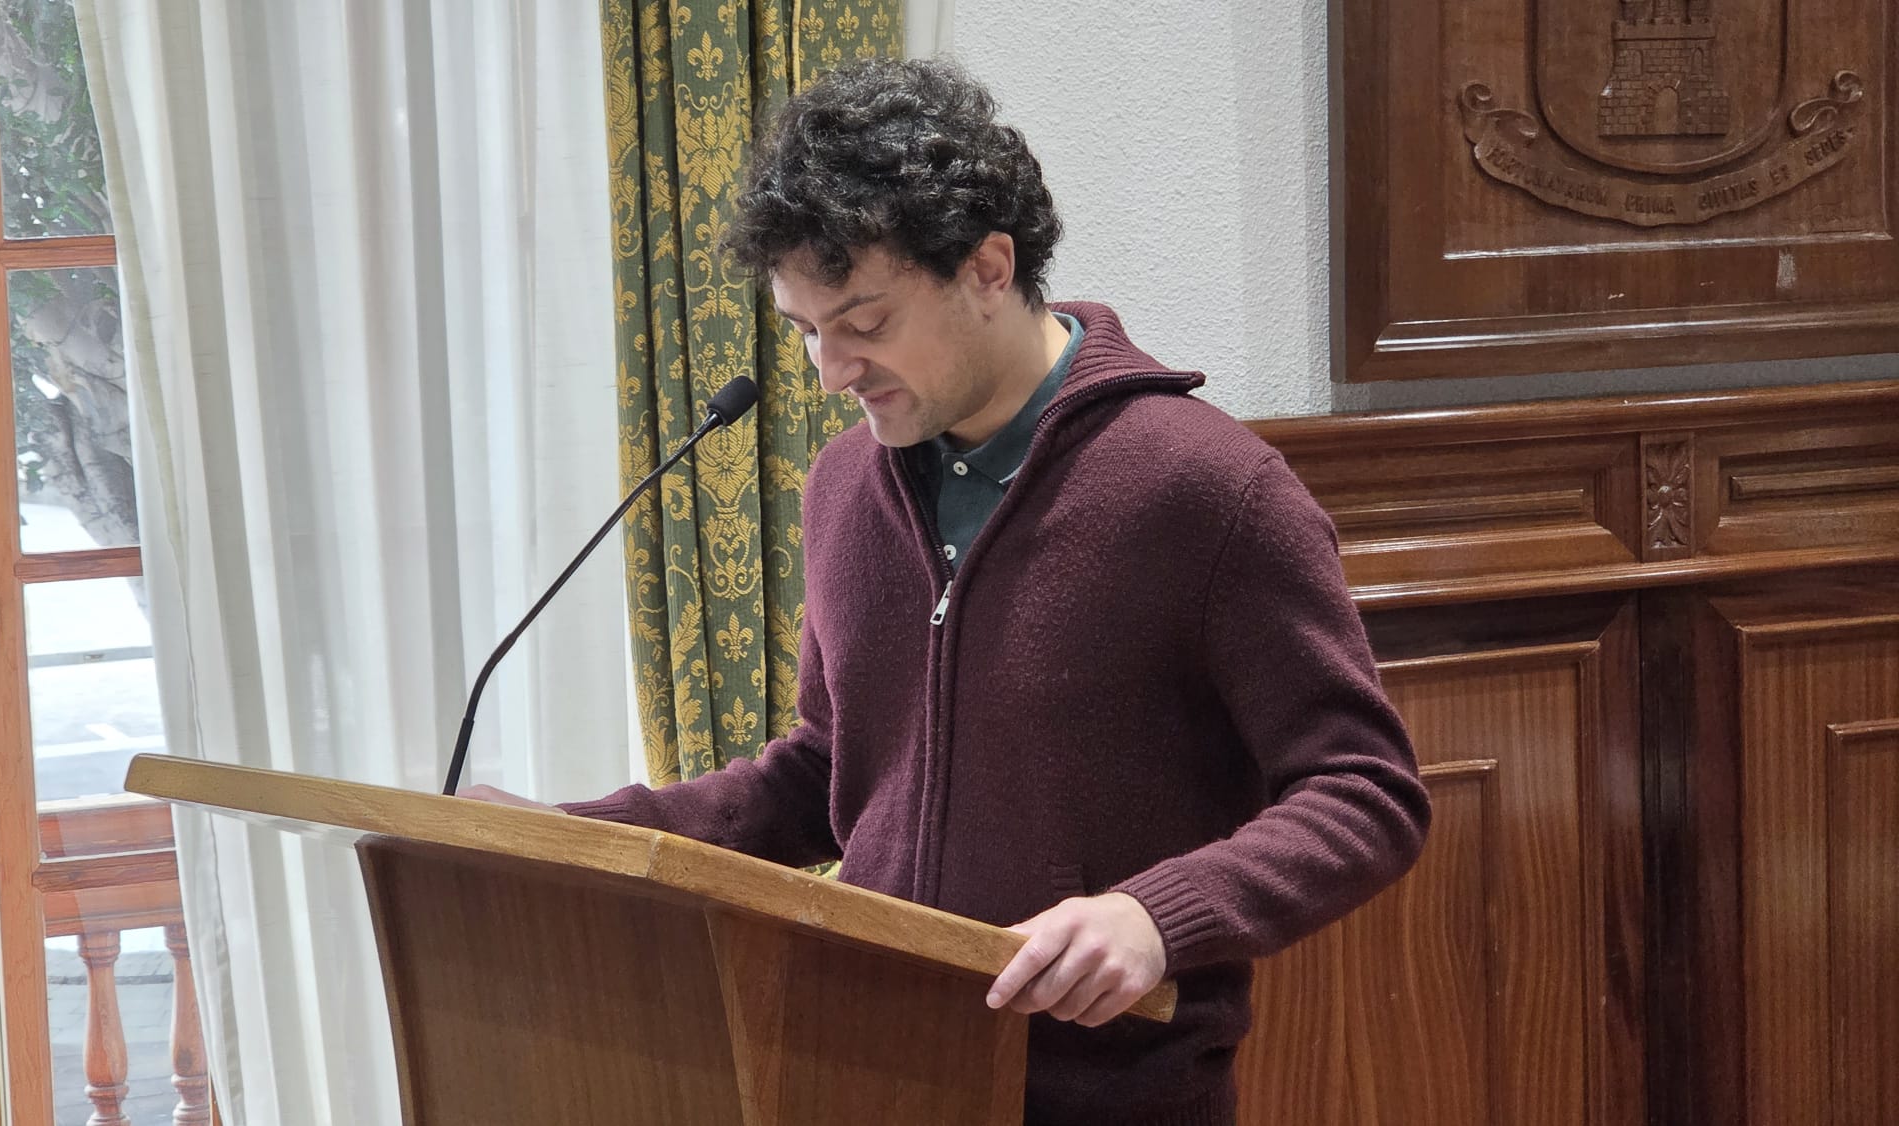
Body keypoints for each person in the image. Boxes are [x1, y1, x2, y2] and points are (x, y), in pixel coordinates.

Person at [462, 57, 1430, 1126]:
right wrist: (576, 838)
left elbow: (1365, 790)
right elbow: (827, 773)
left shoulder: (1205, 487)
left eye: (864, 323)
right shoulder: (842, 485)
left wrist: (1155, 918)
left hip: (1106, 1099)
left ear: (987, 268)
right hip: (867, 1076)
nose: (830, 371)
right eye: (804, 331)